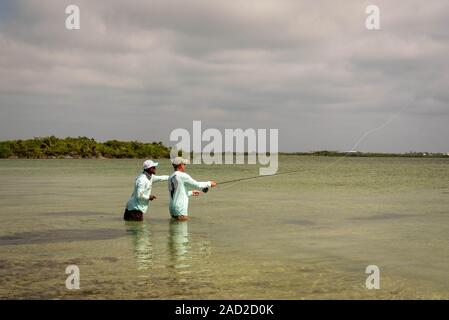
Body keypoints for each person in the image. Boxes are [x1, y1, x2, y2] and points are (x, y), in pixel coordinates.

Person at [168, 157, 216, 221]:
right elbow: (197, 185)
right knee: (182, 230)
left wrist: (190, 192)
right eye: (184, 164)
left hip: (172, 210)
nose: (185, 166)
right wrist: (210, 183)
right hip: (180, 210)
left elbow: (175, 193)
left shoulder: (171, 177)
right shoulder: (182, 175)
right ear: (180, 165)